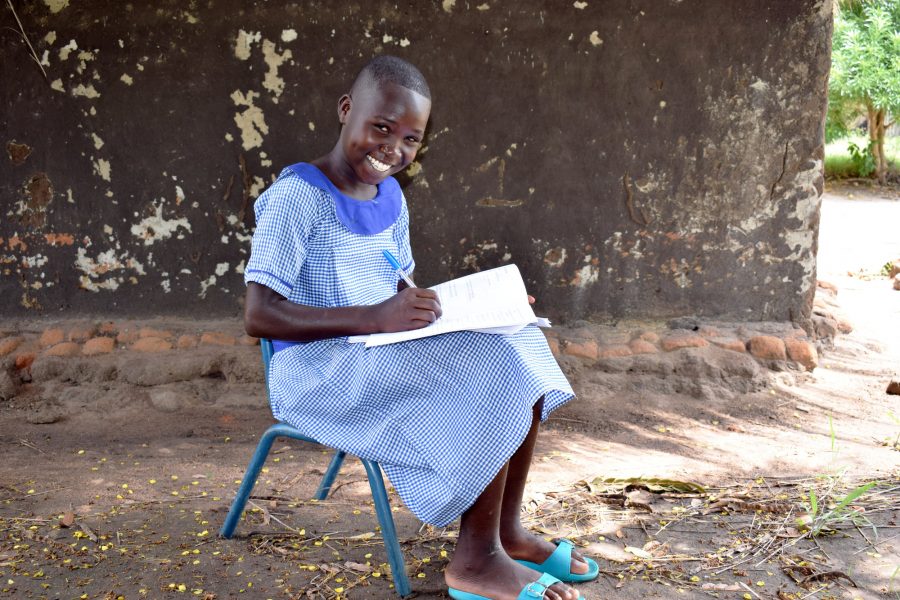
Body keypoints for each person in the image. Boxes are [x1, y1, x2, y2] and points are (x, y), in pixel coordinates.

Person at [243, 55, 597, 600]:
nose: (393, 149)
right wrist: (374, 317)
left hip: (378, 349)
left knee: (517, 338)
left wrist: (487, 306)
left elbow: (400, 288)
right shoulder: (297, 198)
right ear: (345, 110)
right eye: (381, 128)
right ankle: (475, 562)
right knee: (490, 365)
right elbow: (259, 315)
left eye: (410, 139)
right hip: (318, 370)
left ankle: (503, 530)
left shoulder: (390, 197)